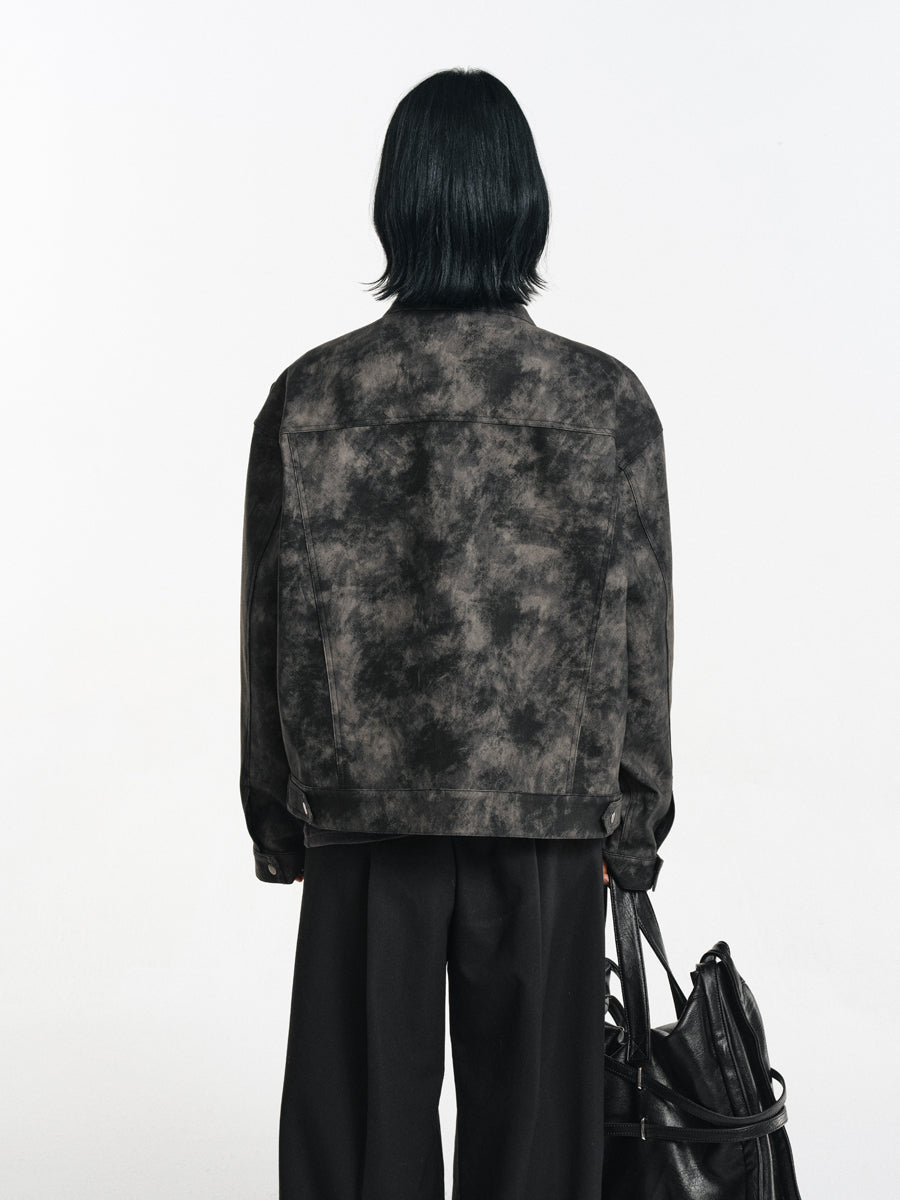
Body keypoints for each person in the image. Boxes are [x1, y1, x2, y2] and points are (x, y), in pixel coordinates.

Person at [239, 66, 675, 1200]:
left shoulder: (312, 396)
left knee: (358, 1146)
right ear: (524, 204)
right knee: (536, 1155)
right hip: (550, 821)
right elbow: (641, 635)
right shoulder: (605, 401)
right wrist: (636, 826)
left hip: (360, 818)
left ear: (398, 202)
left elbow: (267, 622)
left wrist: (276, 816)